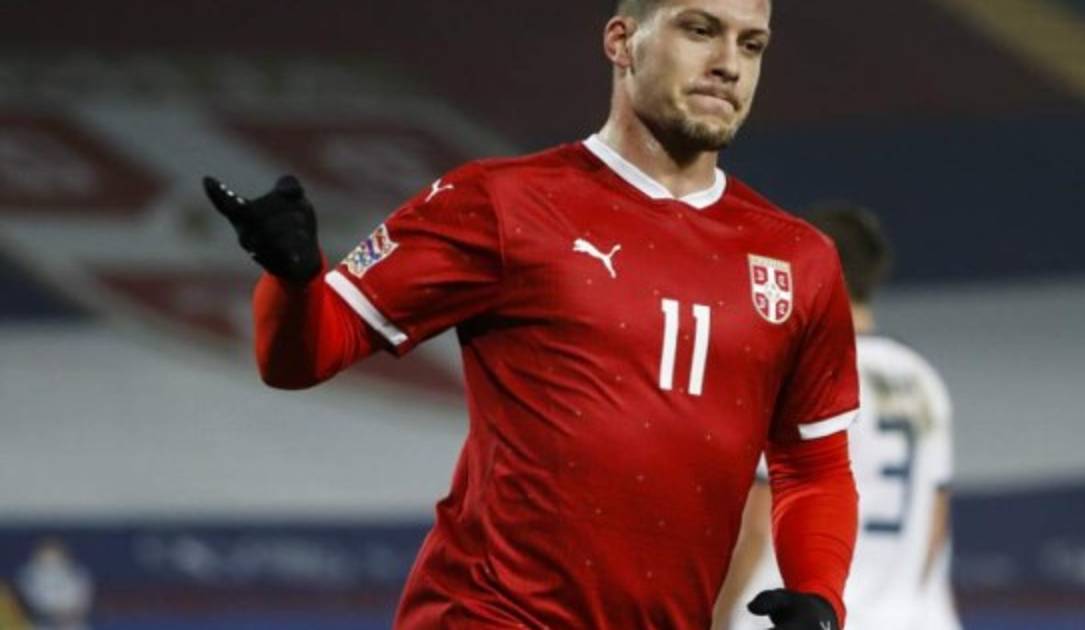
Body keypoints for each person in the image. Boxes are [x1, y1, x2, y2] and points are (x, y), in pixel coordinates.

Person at [203, 1, 861, 628]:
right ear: (622, 41)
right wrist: (293, 280)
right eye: (699, 30)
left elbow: (814, 467)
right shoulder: (500, 202)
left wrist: (819, 597)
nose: (728, 64)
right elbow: (304, 357)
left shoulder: (797, 258)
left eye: (751, 44)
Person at [717, 205, 961, 630]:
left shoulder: (801, 370)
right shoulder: (922, 378)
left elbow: (756, 525)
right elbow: (935, 526)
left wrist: (715, 616)